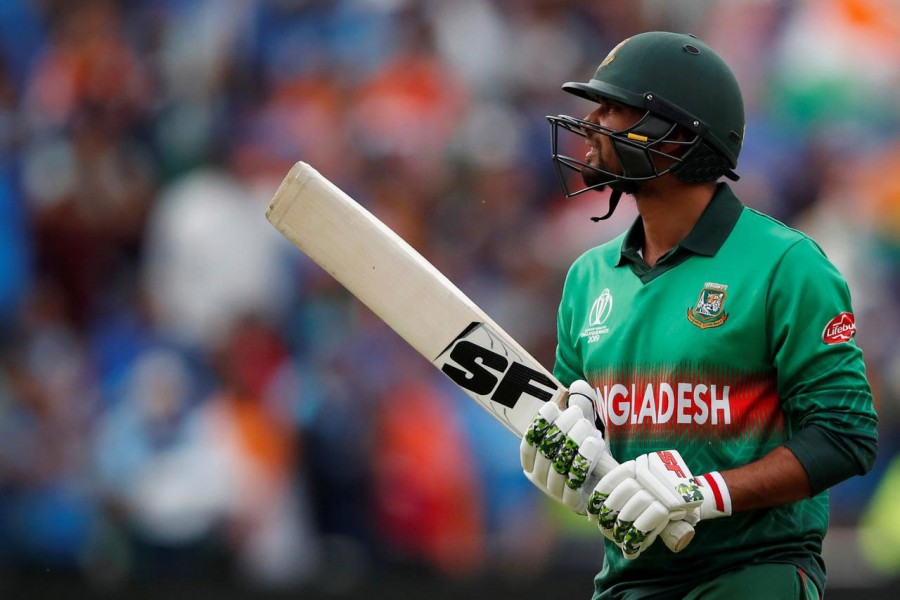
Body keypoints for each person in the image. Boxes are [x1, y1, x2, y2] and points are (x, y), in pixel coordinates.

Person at [519, 31, 878, 599]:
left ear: (678, 135)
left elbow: (845, 435)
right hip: (628, 579)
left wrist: (704, 493)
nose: (591, 124)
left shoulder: (785, 264)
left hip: (753, 571)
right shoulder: (587, 278)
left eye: (615, 108)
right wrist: (572, 450)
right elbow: (580, 424)